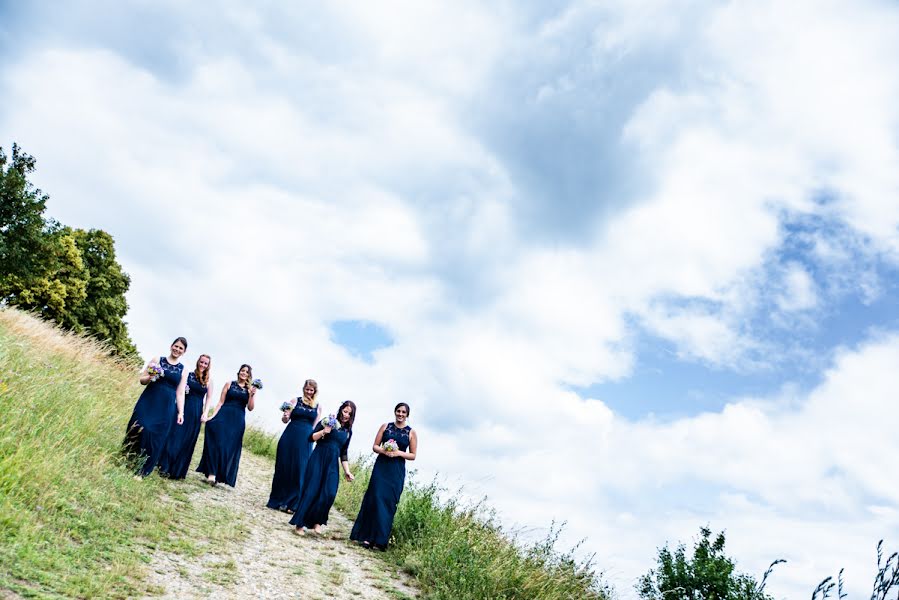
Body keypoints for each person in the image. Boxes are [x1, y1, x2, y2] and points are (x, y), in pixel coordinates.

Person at [350, 402, 417, 550]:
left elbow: (413, 455)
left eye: (403, 412)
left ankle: (380, 540)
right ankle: (367, 537)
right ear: (395, 412)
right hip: (381, 467)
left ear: (407, 415)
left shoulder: (411, 432)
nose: (400, 414)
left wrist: (398, 452)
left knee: (388, 503)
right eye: (398, 411)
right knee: (374, 499)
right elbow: (375, 446)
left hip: (396, 471)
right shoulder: (385, 426)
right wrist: (384, 451)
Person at [123, 337, 189, 478]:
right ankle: (127, 459)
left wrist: (181, 412)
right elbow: (142, 379)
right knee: (139, 425)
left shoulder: (183, 370)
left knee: (156, 436)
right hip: (149, 399)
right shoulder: (157, 359)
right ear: (171, 346)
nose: (177, 349)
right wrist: (151, 376)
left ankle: (142, 469)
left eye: (181, 348)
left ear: (184, 352)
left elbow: (180, 392)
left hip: (166, 406)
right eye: (176, 346)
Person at [289, 400, 356, 535]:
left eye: (349, 413)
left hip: (332, 464)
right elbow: (311, 437)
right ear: (340, 410)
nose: (346, 415)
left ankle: (317, 521)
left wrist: (347, 471)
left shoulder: (348, 431)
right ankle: (299, 525)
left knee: (329, 492)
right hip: (318, 458)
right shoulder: (328, 421)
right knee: (311, 490)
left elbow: (343, 453)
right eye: (344, 411)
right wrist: (324, 431)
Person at [196, 364, 257, 486]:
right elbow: (220, 402)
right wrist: (212, 416)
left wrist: (252, 395)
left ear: (249, 376)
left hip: (238, 420)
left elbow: (250, 408)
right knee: (217, 443)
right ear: (239, 372)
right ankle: (211, 473)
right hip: (224, 415)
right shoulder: (229, 384)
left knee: (228, 447)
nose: (243, 373)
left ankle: (219, 475)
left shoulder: (250, 389)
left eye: (246, 372)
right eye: (242, 371)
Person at [267, 379, 322, 512]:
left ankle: (293, 504)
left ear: (315, 391)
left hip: (306, 440)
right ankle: (278, 500)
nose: (309, 392)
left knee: (300, 470)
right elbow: (285, 420)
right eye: (307, 389)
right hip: (290, 436)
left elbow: (315, 426)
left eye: (311, 390)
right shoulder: (295, 401)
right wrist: (285, 415)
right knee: (284, 467)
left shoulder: (318, 407)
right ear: (303, 389)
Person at [159, 354, 213, 479]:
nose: (203, 365)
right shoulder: (188, 374)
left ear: (208, 365)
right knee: (174, 436)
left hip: (196, 411)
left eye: (205, 363)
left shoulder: (209, 380)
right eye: (201, 362)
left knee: (187, 440)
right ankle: (164, 466)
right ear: (198, 361)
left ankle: (177, 471)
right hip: (183, 407)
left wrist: (205, 413)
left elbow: (209, 398)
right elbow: (180, 390)